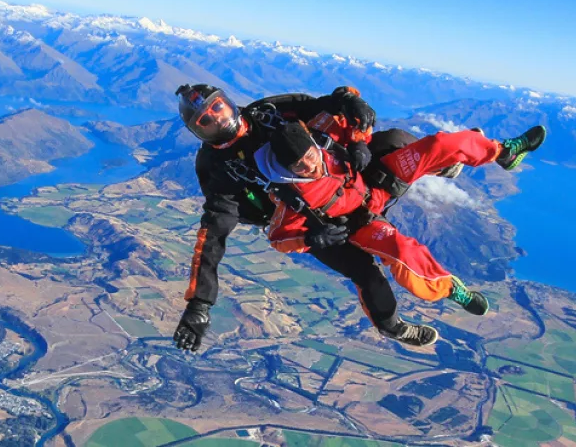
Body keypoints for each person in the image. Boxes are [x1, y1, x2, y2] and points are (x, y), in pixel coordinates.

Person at [255, 115, 547, 346]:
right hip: (360, 224)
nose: (309, 165)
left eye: (309, 156)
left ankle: (502, 151)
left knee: (437, 145)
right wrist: (310, 238)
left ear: (311, 144)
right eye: (299, 165)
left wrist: (358, 141)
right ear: (286, 167)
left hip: (376, 182)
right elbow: (279, 238)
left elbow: (352, 111)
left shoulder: (323, 139)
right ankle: (449, 288)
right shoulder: (290, 196)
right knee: (402, 251)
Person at [171, 83, 378, 352]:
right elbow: (212, 235)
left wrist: (353, 104)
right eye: (207, 120)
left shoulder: (268, 111)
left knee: (393, 144)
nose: (219, 118)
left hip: (334, 176)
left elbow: (326, 103)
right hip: (301, 221)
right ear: (199, 131)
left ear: (228, 102)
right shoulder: (217, 167)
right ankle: (392, 324)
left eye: (218, 107)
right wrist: (199, 303)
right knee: (362, 269)